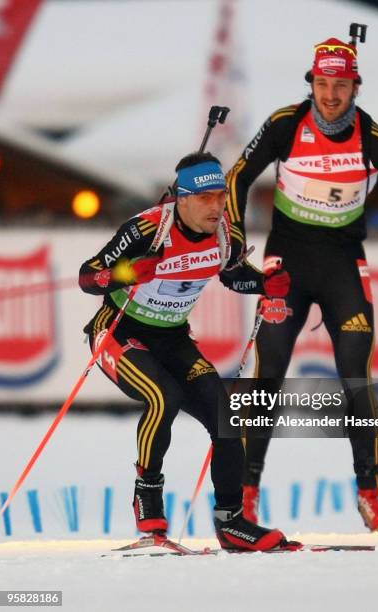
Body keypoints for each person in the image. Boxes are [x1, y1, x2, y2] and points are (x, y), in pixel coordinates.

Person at [226, 36, 378, 531]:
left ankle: (369, 492)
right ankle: (246, 492)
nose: (330, 95)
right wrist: (236, 244)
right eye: (323, 84)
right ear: (312, 84)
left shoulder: (372, 137)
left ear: (354, 88)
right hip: (286, 265)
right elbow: (238, 176)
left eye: (340, 86)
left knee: (356, 374)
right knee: (269, 374)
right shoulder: (287, 124)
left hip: (344, 264)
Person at [78, 152, 295, 551]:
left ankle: (232, 522)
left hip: (172, 337)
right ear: (182, 199)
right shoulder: (146, 229)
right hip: (118, 331)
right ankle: (148, 499)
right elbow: (88, 277)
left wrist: (267, 284)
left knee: (225, 415)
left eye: (221, 197)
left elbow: (234, 276)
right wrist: (127, 272)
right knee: (164, 398)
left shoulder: (226, 233)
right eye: (206, 198)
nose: (216, 206)